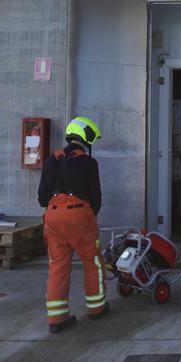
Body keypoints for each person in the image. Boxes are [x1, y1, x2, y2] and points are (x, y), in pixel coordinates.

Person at [38, 116, 108, 333]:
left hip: (53, 215)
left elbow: (41, 197)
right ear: (86, 136)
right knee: (92, 261)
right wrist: (88, 217)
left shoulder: (51, 159)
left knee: (57, 265)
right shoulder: (88, 162)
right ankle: (97, 309)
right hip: (78, 215)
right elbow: (96, 198)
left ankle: (57, 319)